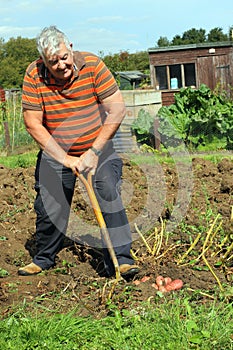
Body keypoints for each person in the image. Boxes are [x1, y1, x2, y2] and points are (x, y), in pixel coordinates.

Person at [18, 25, 139, 279]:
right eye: (54, 62)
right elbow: (33, 123)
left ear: (70, 48)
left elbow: (116, 110)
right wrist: (65, 159)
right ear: (43, 62)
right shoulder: (34, 75)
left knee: (107, 189)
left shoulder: (93, 66)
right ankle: (43, 258)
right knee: (49, 201)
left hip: (99, 147)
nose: (62, 65)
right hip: (57, 151)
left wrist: (93, 152)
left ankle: (121, 260)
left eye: (64, 57)